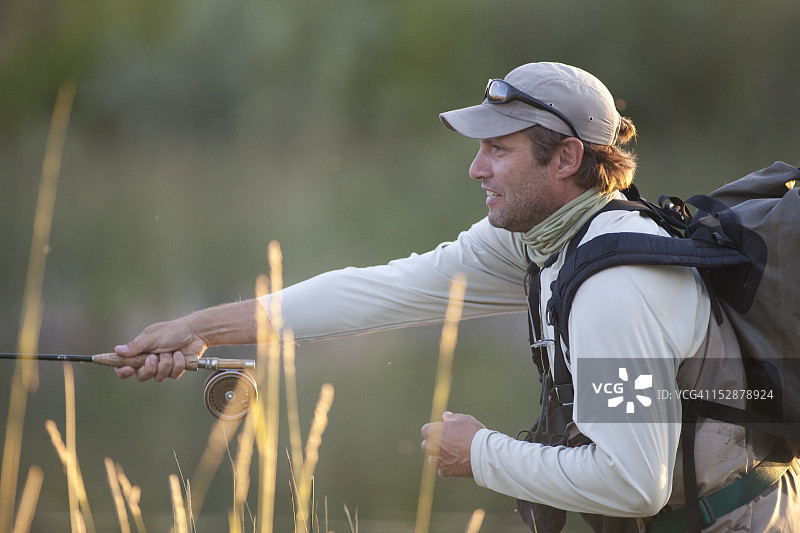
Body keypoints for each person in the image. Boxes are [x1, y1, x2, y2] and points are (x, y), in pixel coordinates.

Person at [114, 62, 799, 532]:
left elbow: (633, 483)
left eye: (498, 150)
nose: (475, 168)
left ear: (565, 159)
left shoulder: (616, 286)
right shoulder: (541, 241)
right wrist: (200, 328)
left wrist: (481, 454)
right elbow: (378, 292)